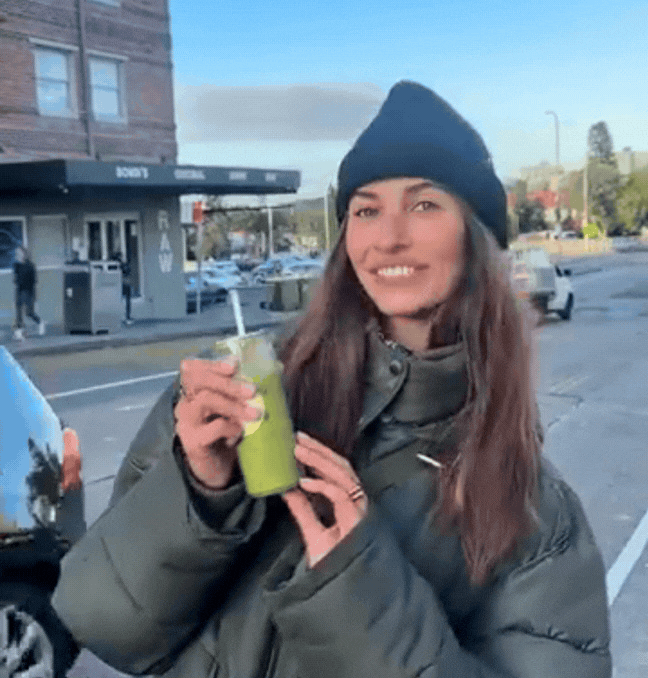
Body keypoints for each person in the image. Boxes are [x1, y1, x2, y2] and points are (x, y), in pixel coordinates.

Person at [52, 82, 611, 678]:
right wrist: (200, 492)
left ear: (478, 236)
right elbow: (104, 624)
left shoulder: (538, 516)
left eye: (424, 205)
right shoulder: (241, 394)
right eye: (366, 210)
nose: (389, 237)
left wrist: (362, 594)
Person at [12, 245, 45, 340]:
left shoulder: (30, 266)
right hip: (19, 290)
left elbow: (34, 281)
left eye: (20, 253)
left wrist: (32, 295)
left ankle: (40, 322)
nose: (18, 255)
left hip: (28, 291)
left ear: (24, 254)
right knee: (18, 311)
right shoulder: (16, 265)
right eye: (17, 253)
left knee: (29, 313)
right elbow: (15, 279)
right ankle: (19, 331)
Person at [113, 251, 133, 325]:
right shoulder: (120, 264)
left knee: (125, 299)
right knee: (127, 299)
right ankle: (127, 317)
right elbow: (127, 272)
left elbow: (127, 272)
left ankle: (126, 316)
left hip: (118, 285)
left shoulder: (119, 264)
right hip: (120, 284)